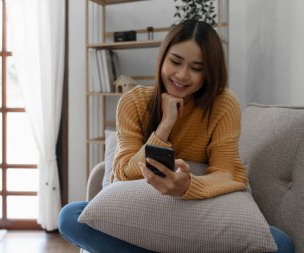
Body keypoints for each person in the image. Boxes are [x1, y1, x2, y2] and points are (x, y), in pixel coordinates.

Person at [59, 20, 294, 253]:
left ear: (209, 72)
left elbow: (227, 172)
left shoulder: (223, 104)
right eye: (175, 61)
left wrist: (188, 186)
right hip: (142, 213)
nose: (182, 75)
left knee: (280, 243)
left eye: (197, 67)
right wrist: (165, 124)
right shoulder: (133, 102)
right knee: (70, 217)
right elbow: (123, 173)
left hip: (195, 213)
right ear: (162, 58)